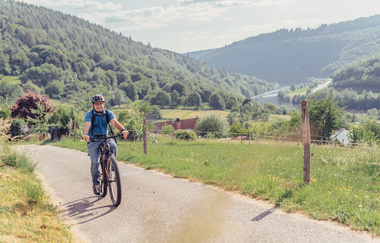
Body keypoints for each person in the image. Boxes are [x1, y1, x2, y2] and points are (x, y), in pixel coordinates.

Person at [82, 94, 128, 195]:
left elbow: (114, 122)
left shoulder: (108, 113)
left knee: (114, 146)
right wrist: (85, 135)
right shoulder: (89, 114)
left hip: (105, 137)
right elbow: (87, 125)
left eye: (101, 104)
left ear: (104, 104)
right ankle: (96, 183)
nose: (99, 106)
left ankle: (111, 164)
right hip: (93, 139)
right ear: (93, 105)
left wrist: (123, 130)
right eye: (97, 104)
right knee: (95, 162)